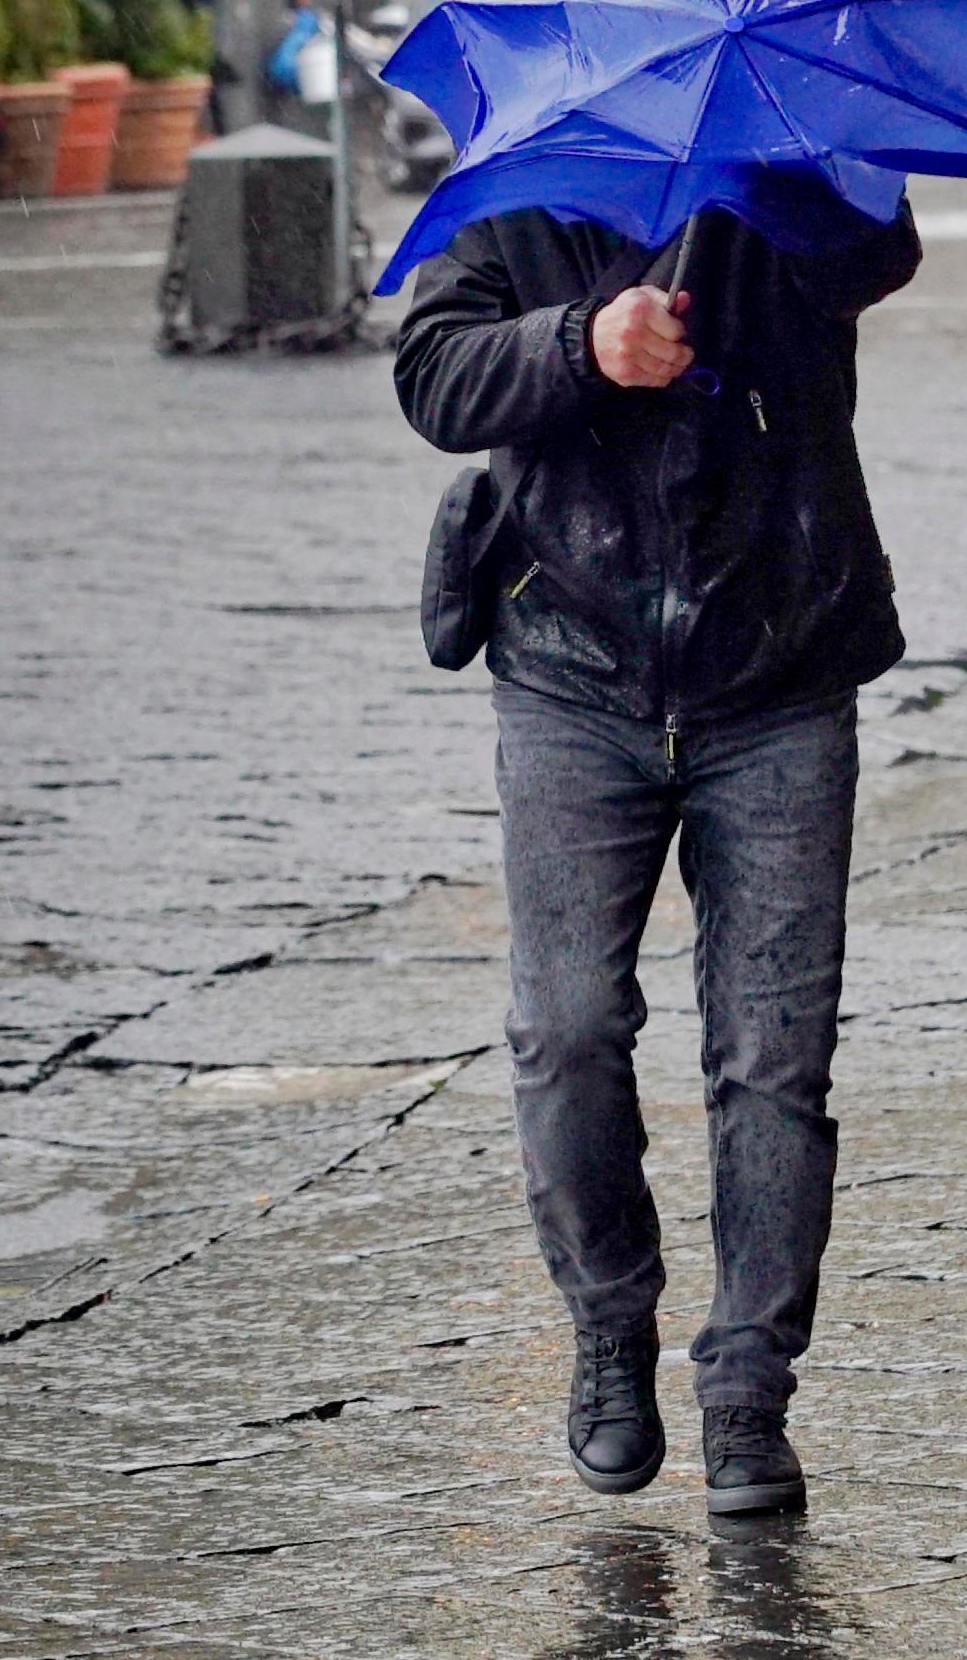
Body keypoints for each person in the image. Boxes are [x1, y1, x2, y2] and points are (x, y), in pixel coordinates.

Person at [392, 198, 922, 1519]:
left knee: (773, 1060)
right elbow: (433, 373)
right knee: (565, 1028)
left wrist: (782, 177)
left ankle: (748, 1390)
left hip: (780, 673)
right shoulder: (523, 182)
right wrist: (584, 344)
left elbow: (877, 250)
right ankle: (609, 1321)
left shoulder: (789, 172)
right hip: (572, 674)